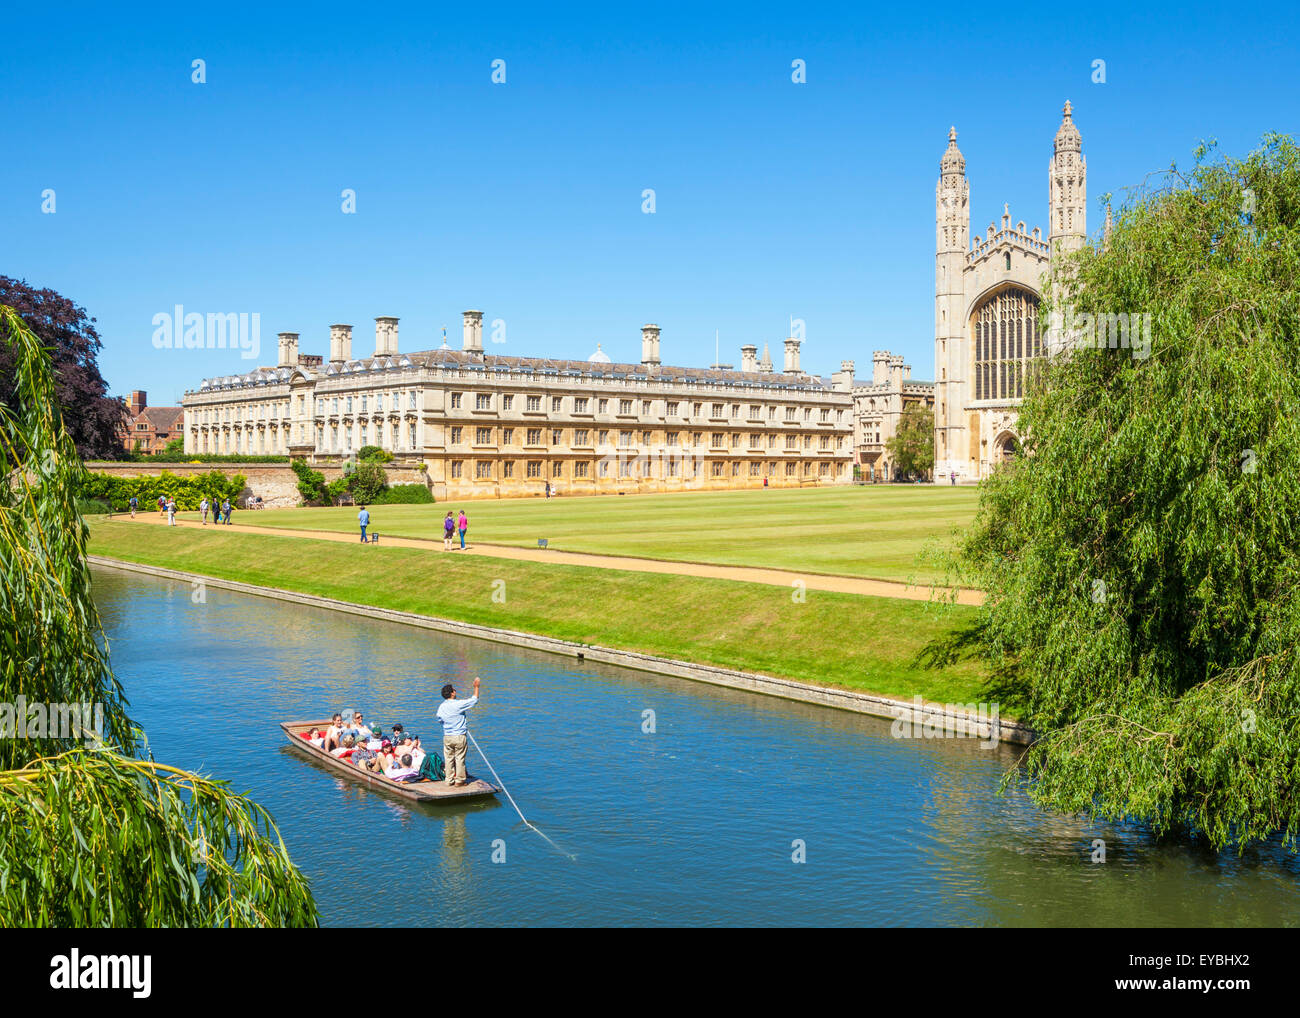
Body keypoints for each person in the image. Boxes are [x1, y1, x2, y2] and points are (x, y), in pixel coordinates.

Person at [436, 677, 480, 786]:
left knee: (449, 758)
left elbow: (440, 720)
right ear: (451, 693)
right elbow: (474, 700)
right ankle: (459, 780)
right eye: (454, 690)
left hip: (447, 736)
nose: (455, 691)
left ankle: (449, 780)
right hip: (459, 736)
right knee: (459, 758)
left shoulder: (441, 707)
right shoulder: (458, 704)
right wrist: (476, 687)